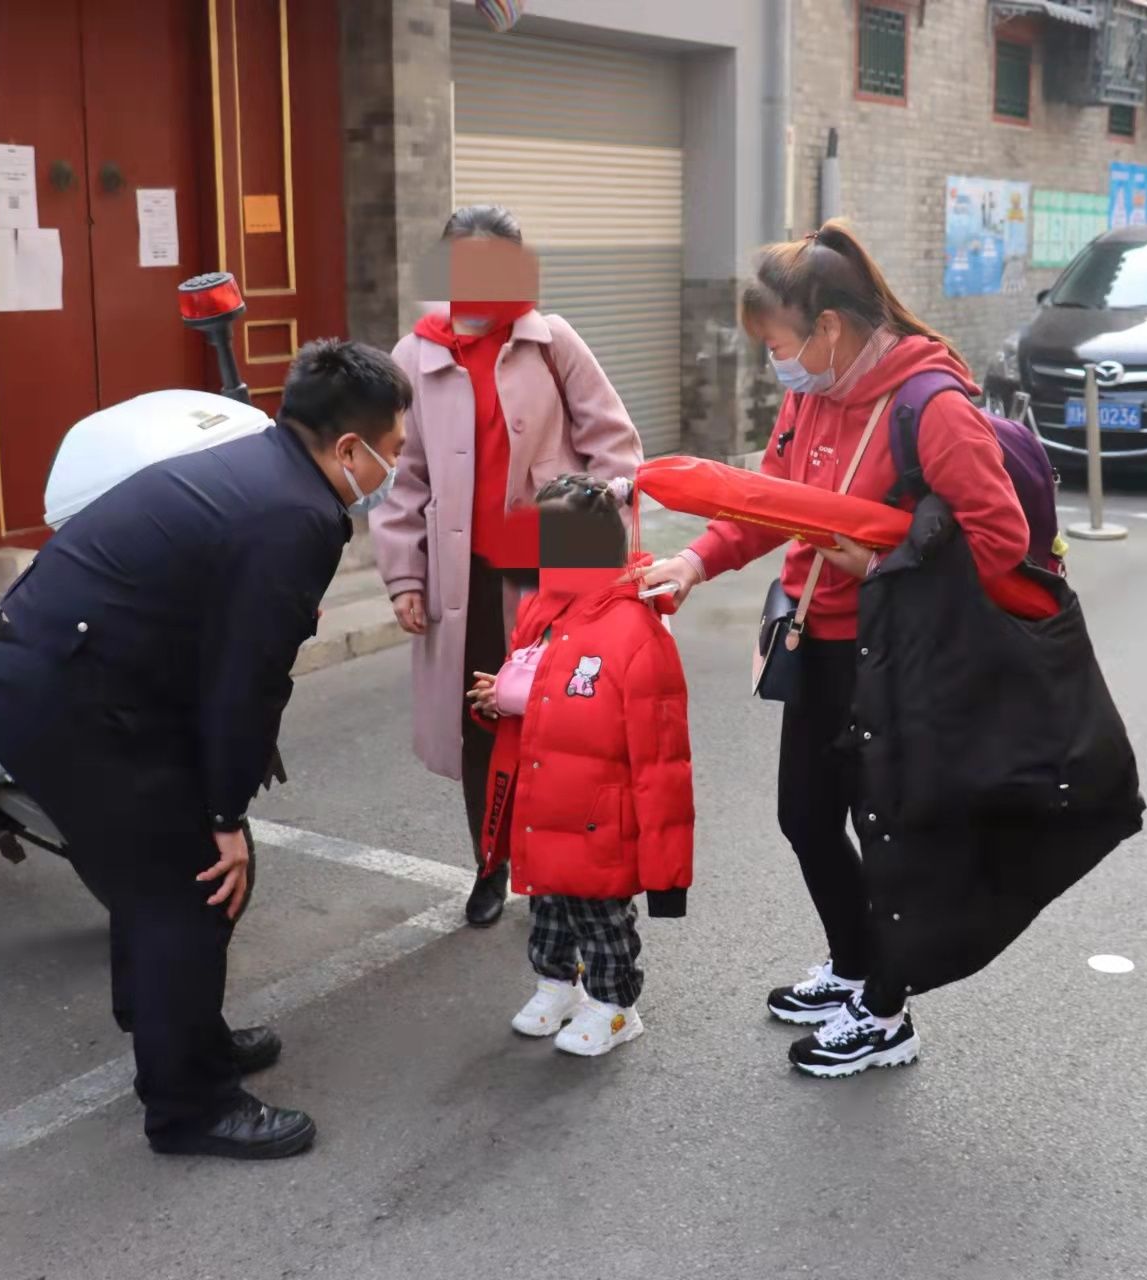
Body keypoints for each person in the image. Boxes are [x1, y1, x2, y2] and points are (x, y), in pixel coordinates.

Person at [0, 339, 411, 1156]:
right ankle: (190, 1105)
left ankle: (176, 1028)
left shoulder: (261, 461)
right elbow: (245, 684)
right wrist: (224, 814)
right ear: (348, 448)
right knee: (193, 888)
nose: (395, 466)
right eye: (394, 450)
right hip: (69, 697)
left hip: (58, 670)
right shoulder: (298, 518)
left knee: (155, 879)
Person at [639, 220, 1033, 1079]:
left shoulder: (931, 406)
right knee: (806, 817)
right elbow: (767, 501)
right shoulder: (812, 391)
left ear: (826, 326)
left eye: (778, 342)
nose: (773, 362)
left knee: (885, 833)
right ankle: (855, 963)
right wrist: (694, 560)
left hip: (895, 653)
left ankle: (887, 1012)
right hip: (816, 637)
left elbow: (998, 538)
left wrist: (886, 561)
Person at [371, 205, 643, 928]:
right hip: (466, 580)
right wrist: (403, 575)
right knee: (483, 727)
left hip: (555, 571)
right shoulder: (415, 356)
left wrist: (596, 529)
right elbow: (403, 478)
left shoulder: (552, 342)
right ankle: (491, 866)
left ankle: (563, 868)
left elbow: (615, 445)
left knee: (562, 723)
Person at [468, 475, 692, 1057]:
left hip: (599, 816)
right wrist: (502, 699)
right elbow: (538, 687)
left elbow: (662, 760)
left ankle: (615, 1006)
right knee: (546, 907)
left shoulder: (635, 631)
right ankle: (555, 985)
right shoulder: (540, 607)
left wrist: (666, 869)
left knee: (602, 921)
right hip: (543, 803)